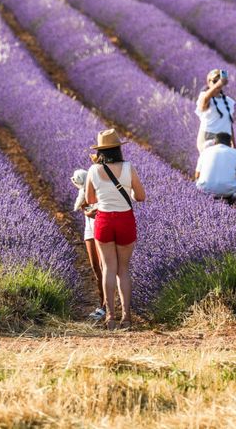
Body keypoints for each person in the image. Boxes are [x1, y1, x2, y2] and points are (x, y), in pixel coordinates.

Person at [80, 129, 146, 330]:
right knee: (123, 270)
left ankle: (110, 317)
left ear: (100, 151)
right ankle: (126, 317)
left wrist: (104, 196)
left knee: (108, 268)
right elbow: (140, 196)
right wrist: (128, 193)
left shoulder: (93, 170)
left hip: (104, 221)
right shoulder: (128, 168)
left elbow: (90, 199)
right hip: (125, 220)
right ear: (118, 149)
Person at [70, 169, 106, 321]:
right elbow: (82, 207)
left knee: (104, 268)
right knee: (95, 268)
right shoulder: (84, 192)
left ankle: (107, 306)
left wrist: (90, 209)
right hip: (89, 230)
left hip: (101, 228)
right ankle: (102, 304)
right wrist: (85, 208)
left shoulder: (100, 188)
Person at [195, 132, 236, 203]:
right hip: (228, 192)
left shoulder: (205, 151)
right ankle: (231, 199)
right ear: (230, 144)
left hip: (205, 190)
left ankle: (201, 199)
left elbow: (197, 175)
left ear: (215, 143)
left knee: (198, 182)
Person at [195, 69, 235, 151]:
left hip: (225, 138)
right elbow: (203, 104)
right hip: (208, 136)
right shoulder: (204, 96)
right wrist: (218, 84)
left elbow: (228, 122)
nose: (218, 83)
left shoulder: (228, 101)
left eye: (219, 81)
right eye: (215, 81)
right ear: (208, 82)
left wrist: (233, 143)